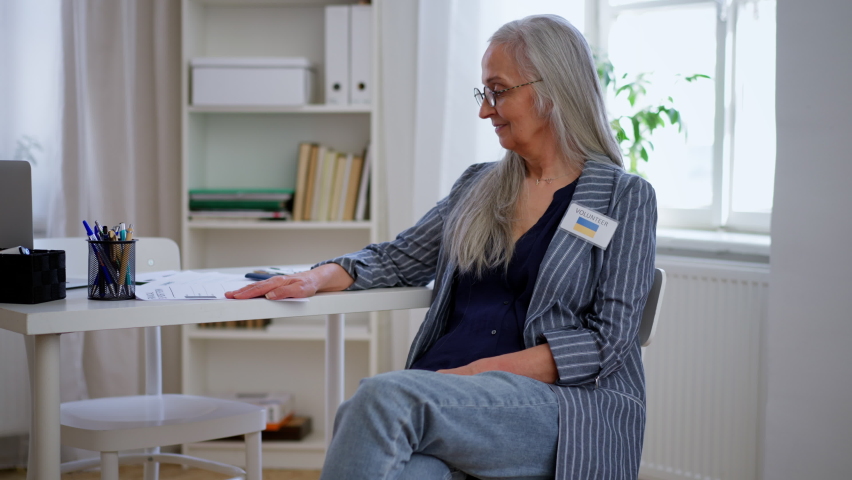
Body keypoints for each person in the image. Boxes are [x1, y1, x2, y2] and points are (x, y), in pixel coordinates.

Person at [226, 14, 656, 480]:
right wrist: (315, 277)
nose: (485, 110)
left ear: (551, 90)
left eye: (498, 90)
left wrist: (473, 376)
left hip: (558, 410)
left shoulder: (623, 197)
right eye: (483, 93)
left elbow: (606, 341)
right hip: (447, 403)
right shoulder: (478, 185)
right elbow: (399, 256)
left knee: (376, 400)